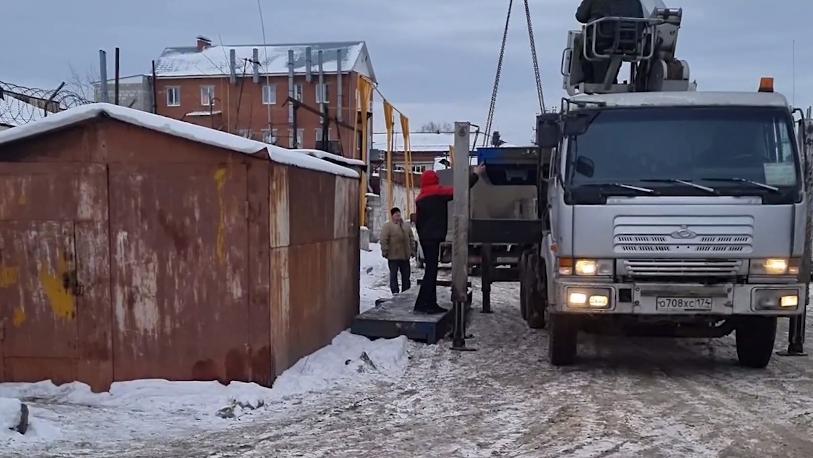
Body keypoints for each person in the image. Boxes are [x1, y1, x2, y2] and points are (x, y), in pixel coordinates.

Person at [414, 165, 485, 314]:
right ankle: (425, 305)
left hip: (425, 239)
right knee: (431, 272)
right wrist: (476, 175)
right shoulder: (437, 192)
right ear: (435, 180)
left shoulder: (421, 197)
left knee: (430, 271)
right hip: (433, 238)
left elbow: (419, 221)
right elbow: (460, 191)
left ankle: (425, 303)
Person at [576, 0, 644, 84]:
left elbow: (580, 16)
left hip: (602, 40)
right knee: (607, 69)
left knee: (583, 47)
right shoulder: (635, 2)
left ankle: (592, 81)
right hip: (628, 41)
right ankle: (607, 81)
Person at [380, 207, 415, 295]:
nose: (398, 216)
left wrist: (412, 249)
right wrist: (385, 250)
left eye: (399, 214)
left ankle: (406, 291)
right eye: (396, 214)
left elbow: (411, 238)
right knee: (393, 275)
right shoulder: (388, 226)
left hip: (405, 255)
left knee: (406, 275)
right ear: (392, 216)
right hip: (393, 256)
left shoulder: (406, 226)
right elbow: (384, 239)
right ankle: (395, 291)